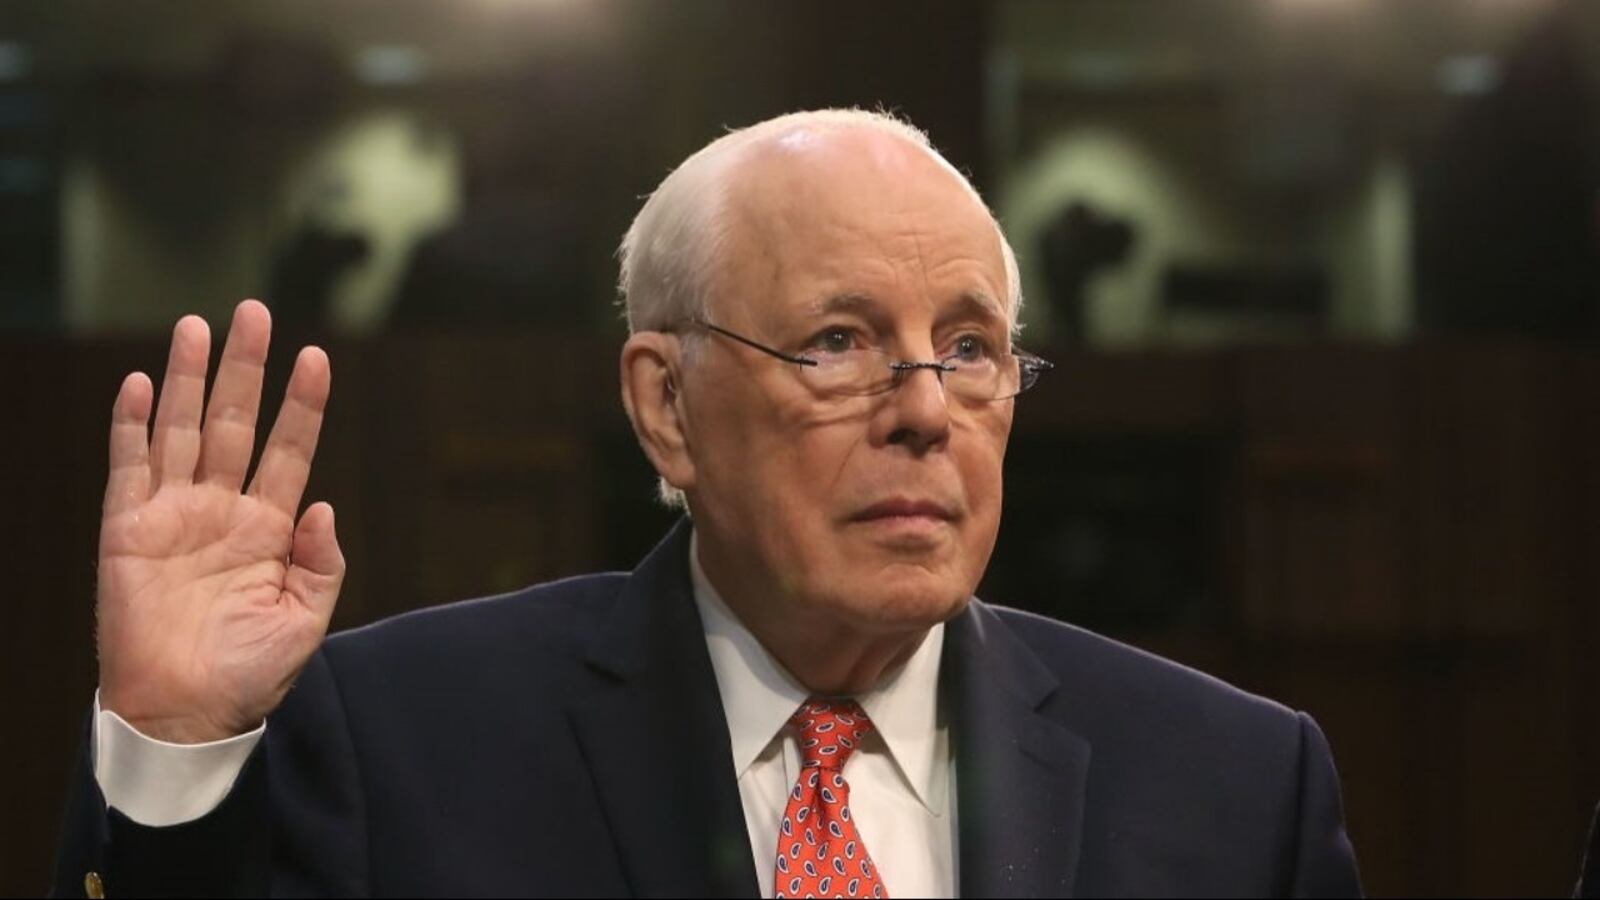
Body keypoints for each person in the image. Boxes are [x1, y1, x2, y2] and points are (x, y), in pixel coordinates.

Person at [52, 109, 1361, 898]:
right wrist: (170, 755)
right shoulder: (406, 745)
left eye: (969, 348)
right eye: (839, 341)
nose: (923, 409)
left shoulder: (1234, 787)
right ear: (666, 406)